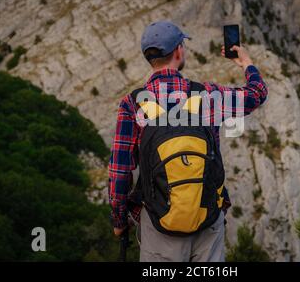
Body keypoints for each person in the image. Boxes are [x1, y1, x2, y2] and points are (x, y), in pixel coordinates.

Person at [108, 20, 268, 262]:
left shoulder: (132, 104)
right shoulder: (206, 95)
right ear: (179, 51)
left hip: (158, 223)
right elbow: (257, 93)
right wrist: (246, 62)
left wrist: (120, 221)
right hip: (207, 222)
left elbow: (120, 172)